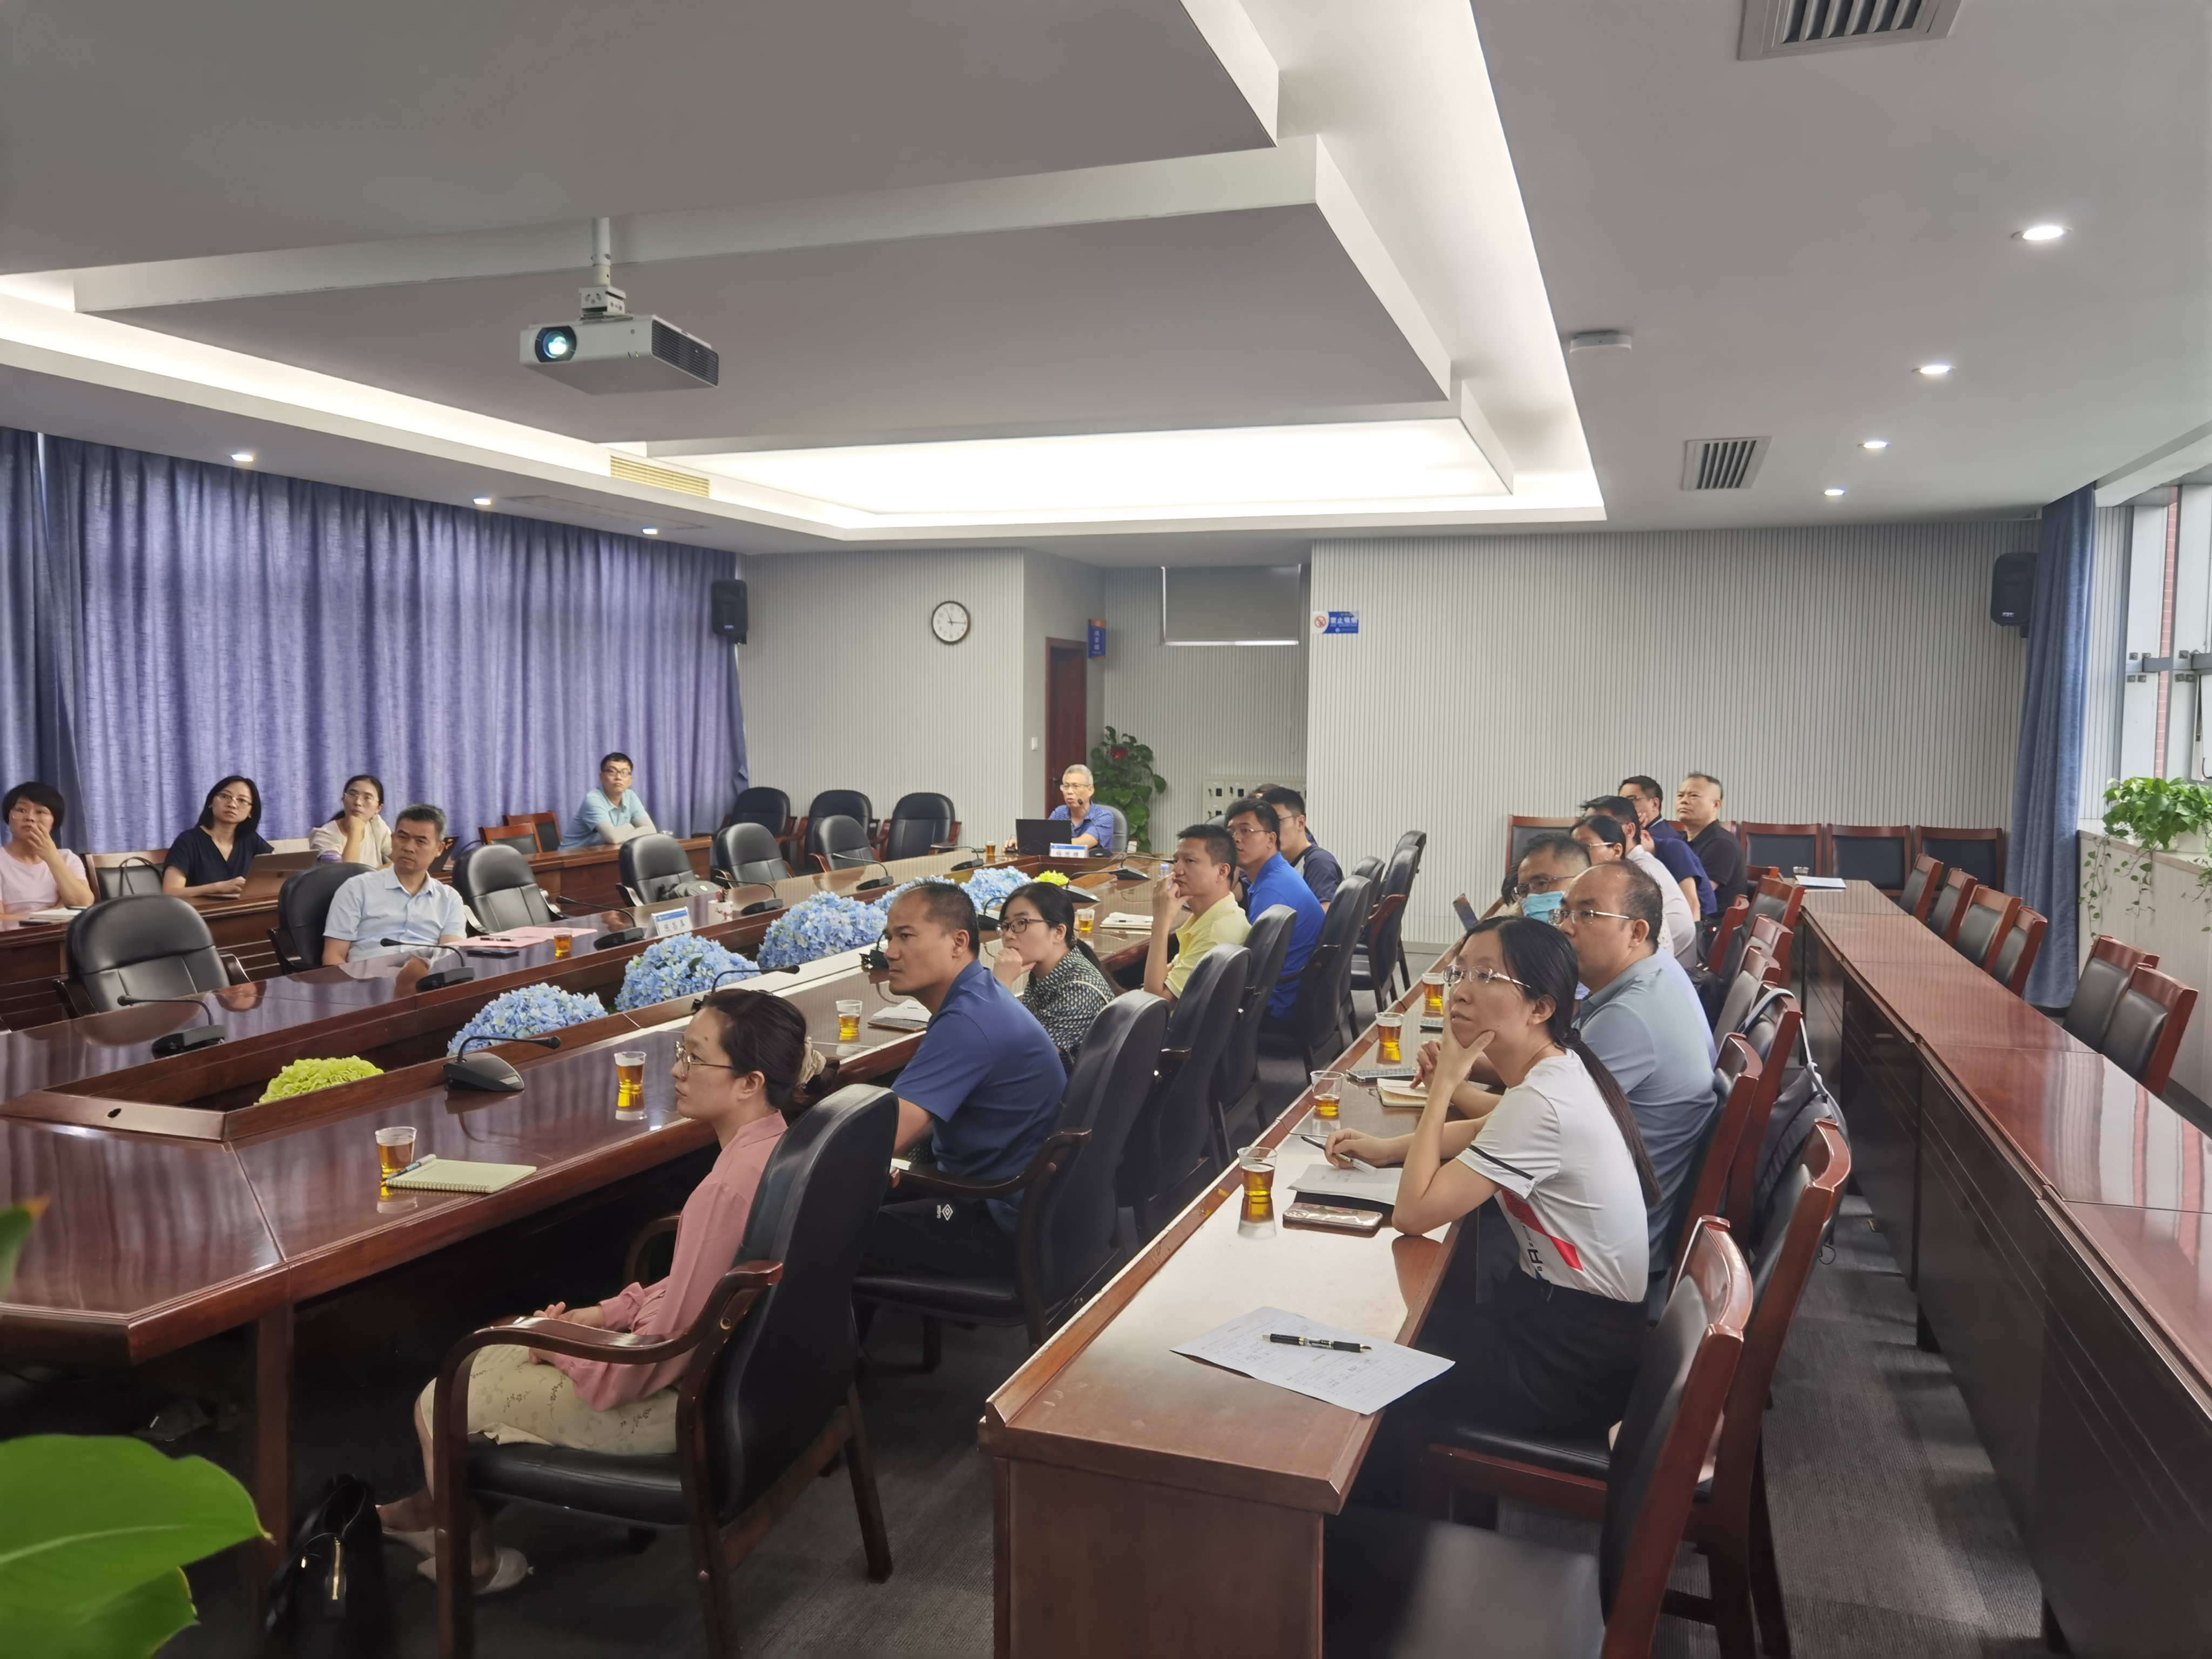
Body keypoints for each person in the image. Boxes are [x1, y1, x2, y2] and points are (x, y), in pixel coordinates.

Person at [374, 989, 835, 1591]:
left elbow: (649, 1364)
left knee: (447, 1390)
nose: (677, 1071)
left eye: (694, 1057)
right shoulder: (779, 1149)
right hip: (758, 1386)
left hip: (685, 1409)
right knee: (502, 1346)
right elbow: (706, 1285)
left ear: (750, 1083)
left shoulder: (725, 1189)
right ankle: (426, 1514)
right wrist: (609, 1312)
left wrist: (562, 1349)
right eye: (680, 1052)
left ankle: (474, 1563)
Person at [1324, 917, 1657, 1441]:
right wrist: (1386, 1149)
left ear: (1540, 1008)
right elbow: (1486, 1126)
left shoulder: (1544, 1100)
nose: (1460, 991)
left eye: (1485, 976)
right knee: (1390, 1334)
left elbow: (1413, 1215)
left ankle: (1382, 1488)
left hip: (1569, 1364)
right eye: (1459, 973)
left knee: (1376, 1368)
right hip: (1558, 1322)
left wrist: (1444, 1085)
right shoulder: (1558, 1069)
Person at [858, 882, 1068, 1278]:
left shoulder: (968, 1022)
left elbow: (881, 1139)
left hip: (995, 1217)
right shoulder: (981, 994)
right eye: (889, 938)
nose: (891, 953)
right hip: (1018, 1202)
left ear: (958, 942)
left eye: (906, 936)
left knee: (824, 1233)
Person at [321, 806, 469, 982]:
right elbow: (333, 956)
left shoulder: (449, 899)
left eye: (421, 842)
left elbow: (451, 956)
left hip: (426, 983)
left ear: (439, 849)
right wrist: (352, 990)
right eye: (402, 837)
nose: (409, 848)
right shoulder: (356, 888)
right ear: (392, 839)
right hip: (368, 983)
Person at [1224, 795, 1323, 1027]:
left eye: (1246, 831)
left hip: (1277, 1004)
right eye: (1231, 832)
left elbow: (1250, 969)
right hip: (1289, 994)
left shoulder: (1272, 891)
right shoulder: (1277, 874)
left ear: (1271, 839)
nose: (1235, 839)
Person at [993, 880, 1116, 1055]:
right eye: (1006, 926)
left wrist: (1000, 986)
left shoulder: (1079, 991)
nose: (1009, 935)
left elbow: (1021, 1058)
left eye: (1021, 923)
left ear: (1058, 932)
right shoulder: (1044, 976)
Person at [1142, 822, 1252, 1007]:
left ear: (1222, 872)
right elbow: (1170, 974)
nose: (1177, 870)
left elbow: (1154, 1002)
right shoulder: (1219, 913)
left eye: (1190, 861)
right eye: (1176, 861)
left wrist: (1160, 922)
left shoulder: (1217, 932)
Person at [1571, 812, 1696, 966]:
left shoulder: (1628, 882)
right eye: (1573, 849)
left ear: (1617, 850)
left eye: (1586, 847)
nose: (1577, 856)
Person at [1587, 792, 1708, 927]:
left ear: (1630, 830)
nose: (1588, 830)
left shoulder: (1639, 872)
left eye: (1602, 826)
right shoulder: (1637, 864)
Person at [1617, 775, 1714, 920]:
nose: (1625, 809)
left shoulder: (1662, 838)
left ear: (1655, 804)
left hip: (1698, 923)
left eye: (1632, 800)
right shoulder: (1653, 833)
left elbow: (1693, 904)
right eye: (1622, 802)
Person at [163, 775, 273, 900]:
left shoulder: (250, 839)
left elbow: (281, 871)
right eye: (225, 796)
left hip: (245, 909)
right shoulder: (188, 841)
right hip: (200, 911)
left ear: (251, 812)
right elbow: (170, 892)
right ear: (211, 802)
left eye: (242, 801)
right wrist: (216, 888)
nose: (232, 805)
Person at [0, 782, 94, 910]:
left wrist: (52, 858)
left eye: (40, 812)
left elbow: (84, 903)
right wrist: (53, 912)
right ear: (8, 817)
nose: (30, 818)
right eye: (21, 810)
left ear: (54, 821)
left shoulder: (67, 858)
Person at [1253, 784, 1343, 903]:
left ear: (1301, 823)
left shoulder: (1320, 863)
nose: (1272, 830)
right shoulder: (1276, 863)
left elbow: (1325, 911)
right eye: (1267, 824)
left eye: (1278, 821)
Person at [1676, 771, 1749, 914]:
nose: (1684, 801)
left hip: (1709, 924)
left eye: (1694, 796)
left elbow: (1697, 898)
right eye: (1680, 795)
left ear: (1716, 805)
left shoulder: (1721, 845)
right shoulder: (1681, 842)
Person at [559, 752, 656, 850]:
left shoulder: (631, 796)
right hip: (572, 856)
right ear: (601, 777)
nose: (619, 777)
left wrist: (623, 838)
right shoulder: (593, 799)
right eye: (612, 772)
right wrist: (630, 827)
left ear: (630, 780)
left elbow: (651, 830)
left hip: (605, 853)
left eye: (625, 773)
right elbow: (613, 838)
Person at [308, 773, 393, 867]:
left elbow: (402, 861)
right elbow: (346, 873)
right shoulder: (325, 835)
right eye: (352, 795)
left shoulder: (376, 824)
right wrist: (355, 831)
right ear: (344, 799)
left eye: (367, 798)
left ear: (378, 808)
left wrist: (375, 874)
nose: (358, 802)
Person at [1043, 764, 1118, 851]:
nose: (1069, 792)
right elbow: (1044, 839)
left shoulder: (1104, 816)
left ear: (1090, 790)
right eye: (1066, 787)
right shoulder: (1059, 813)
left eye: (1076, 786)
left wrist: (1052, 844)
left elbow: (1083, 844)